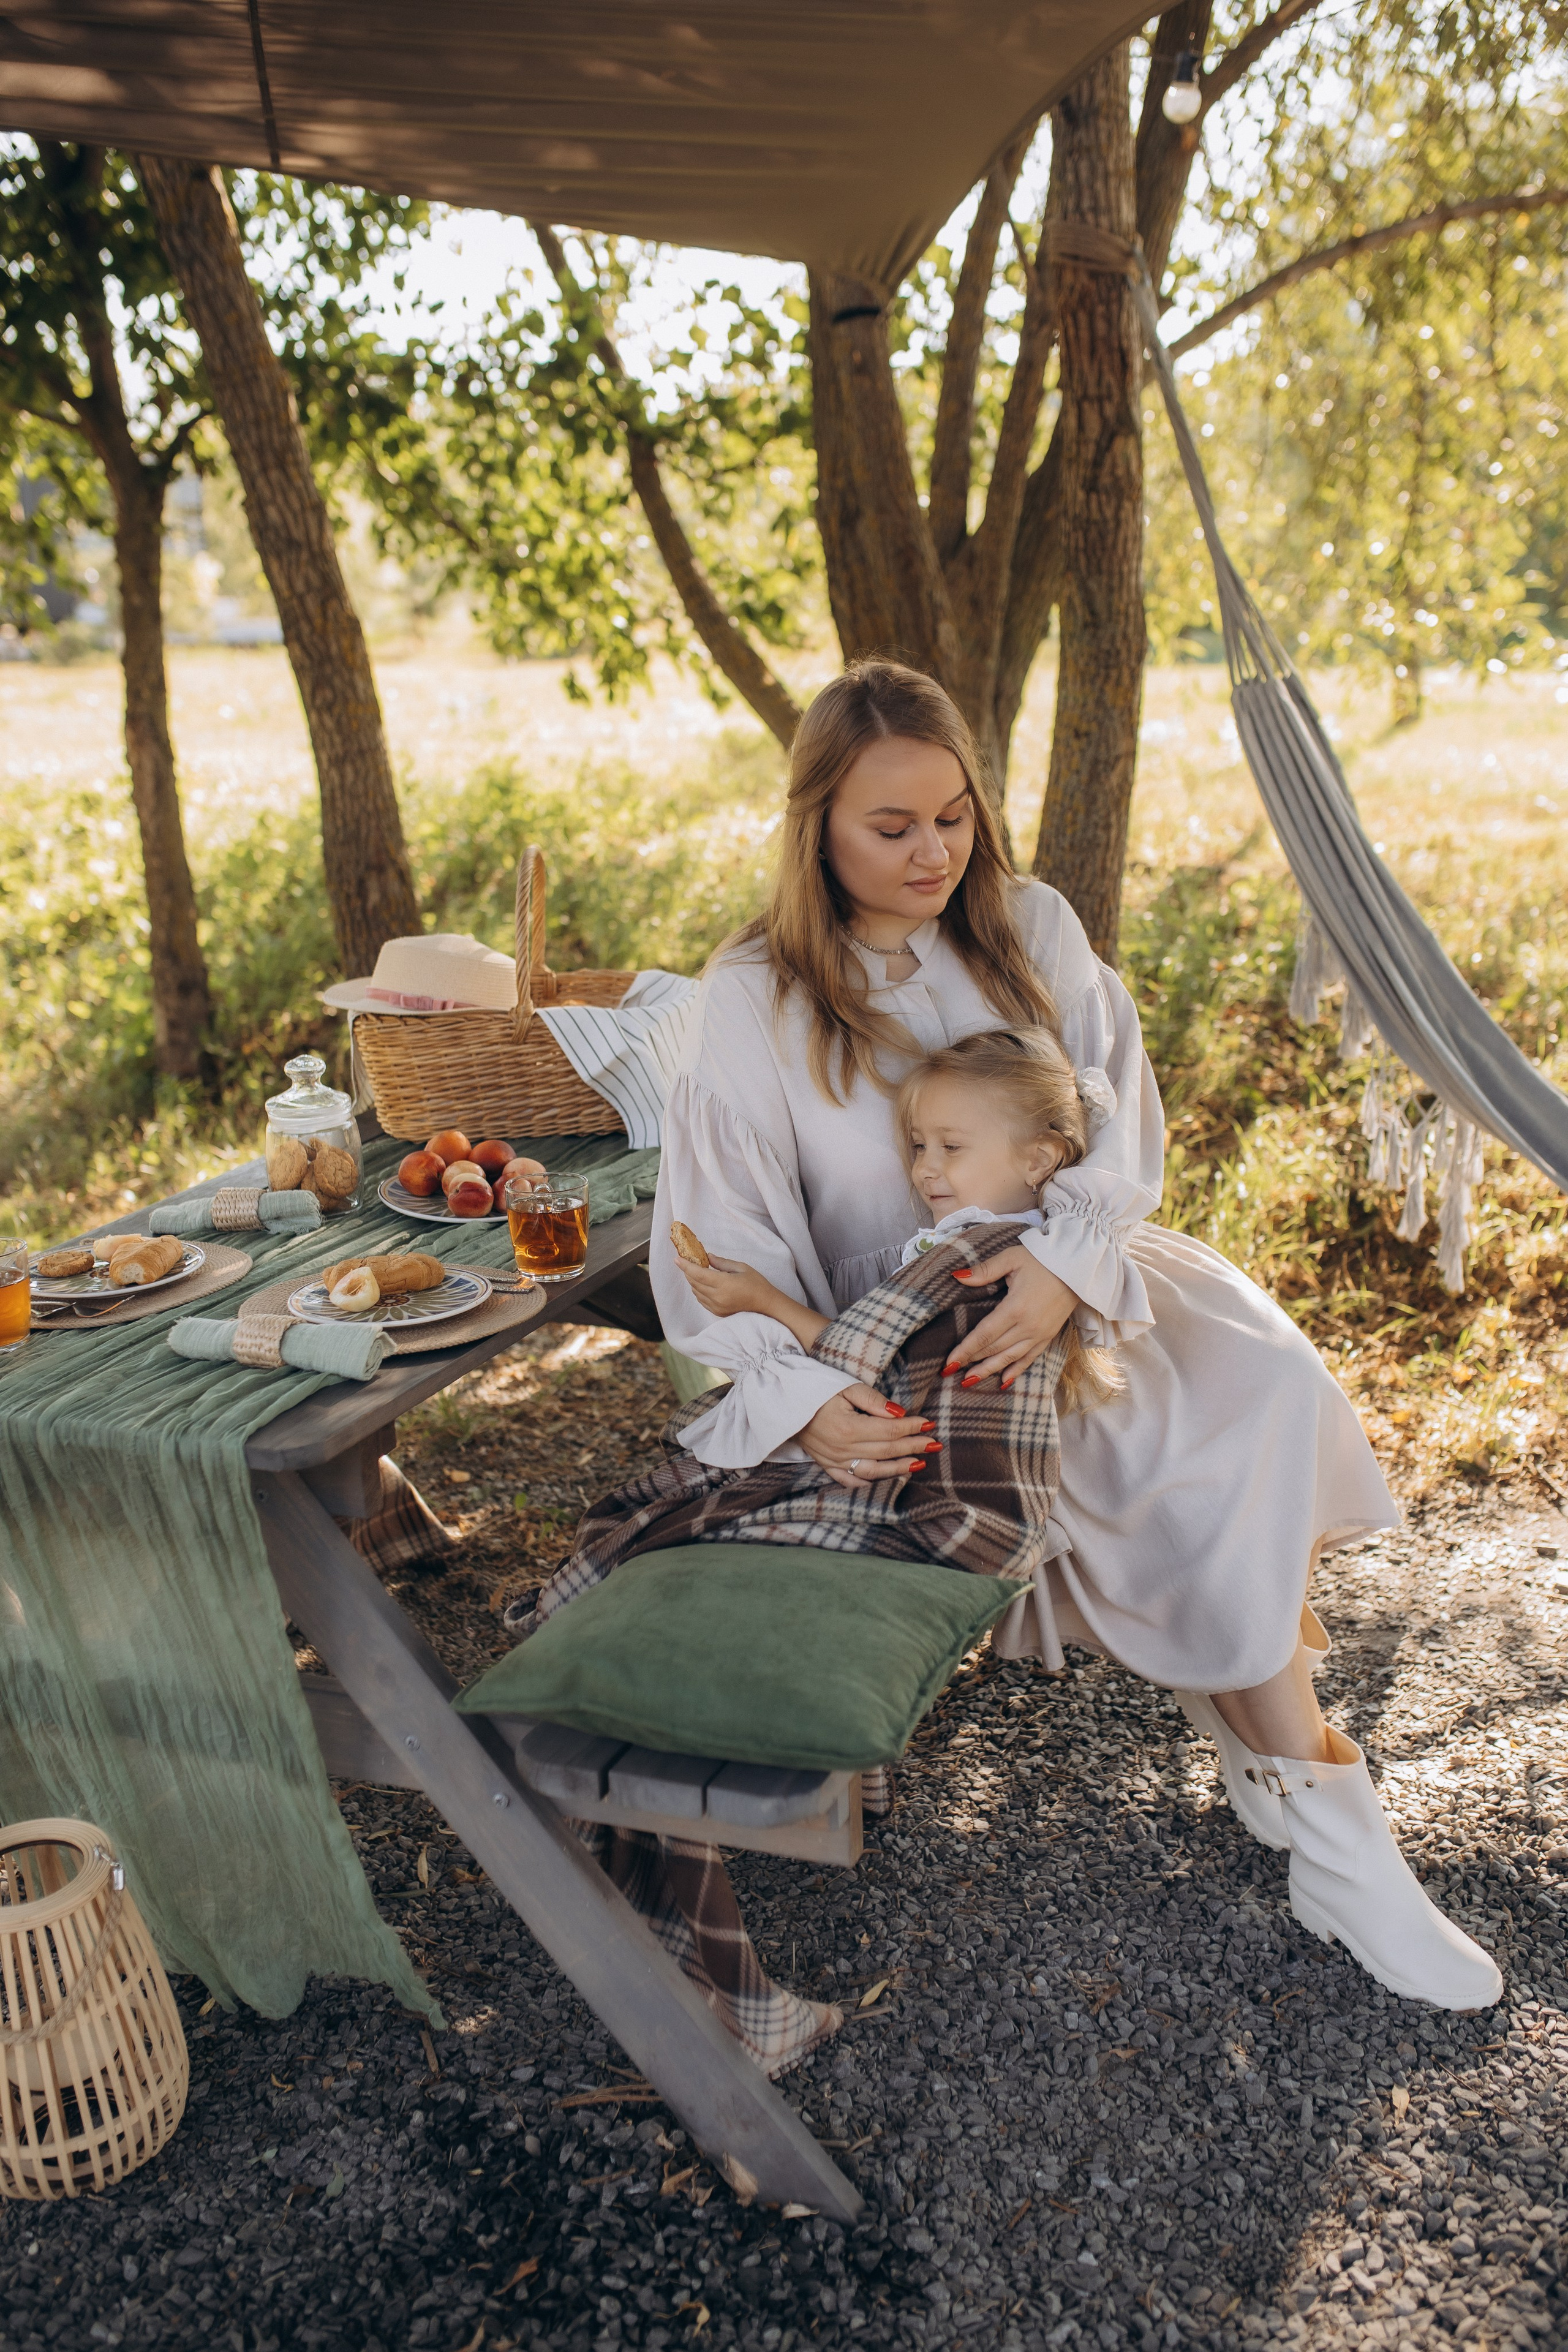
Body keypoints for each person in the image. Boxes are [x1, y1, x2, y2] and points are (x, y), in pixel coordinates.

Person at [650, 657, 1501, 2013]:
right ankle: (1332, 1822)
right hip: (923, 1337)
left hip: (1069, 1280)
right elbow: (715, 1245)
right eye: (890, 827)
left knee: (1262, 1381)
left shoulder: (1027, 927)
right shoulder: (752, 999)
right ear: (813, 825)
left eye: (952, 816)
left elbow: (1114, 1122)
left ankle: (1282, 1770)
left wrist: (1066, 1262)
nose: (932, 852)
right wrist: (801, 1395)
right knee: (1157, 1446)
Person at [676, 1023, 1123, 1414]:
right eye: (917, 1146)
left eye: (951, 1147)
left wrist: (763, 1299)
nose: (925, 1169)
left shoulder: (978, 1255)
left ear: (1040, 1159)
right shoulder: (1051, 1243)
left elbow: (874, 1363)